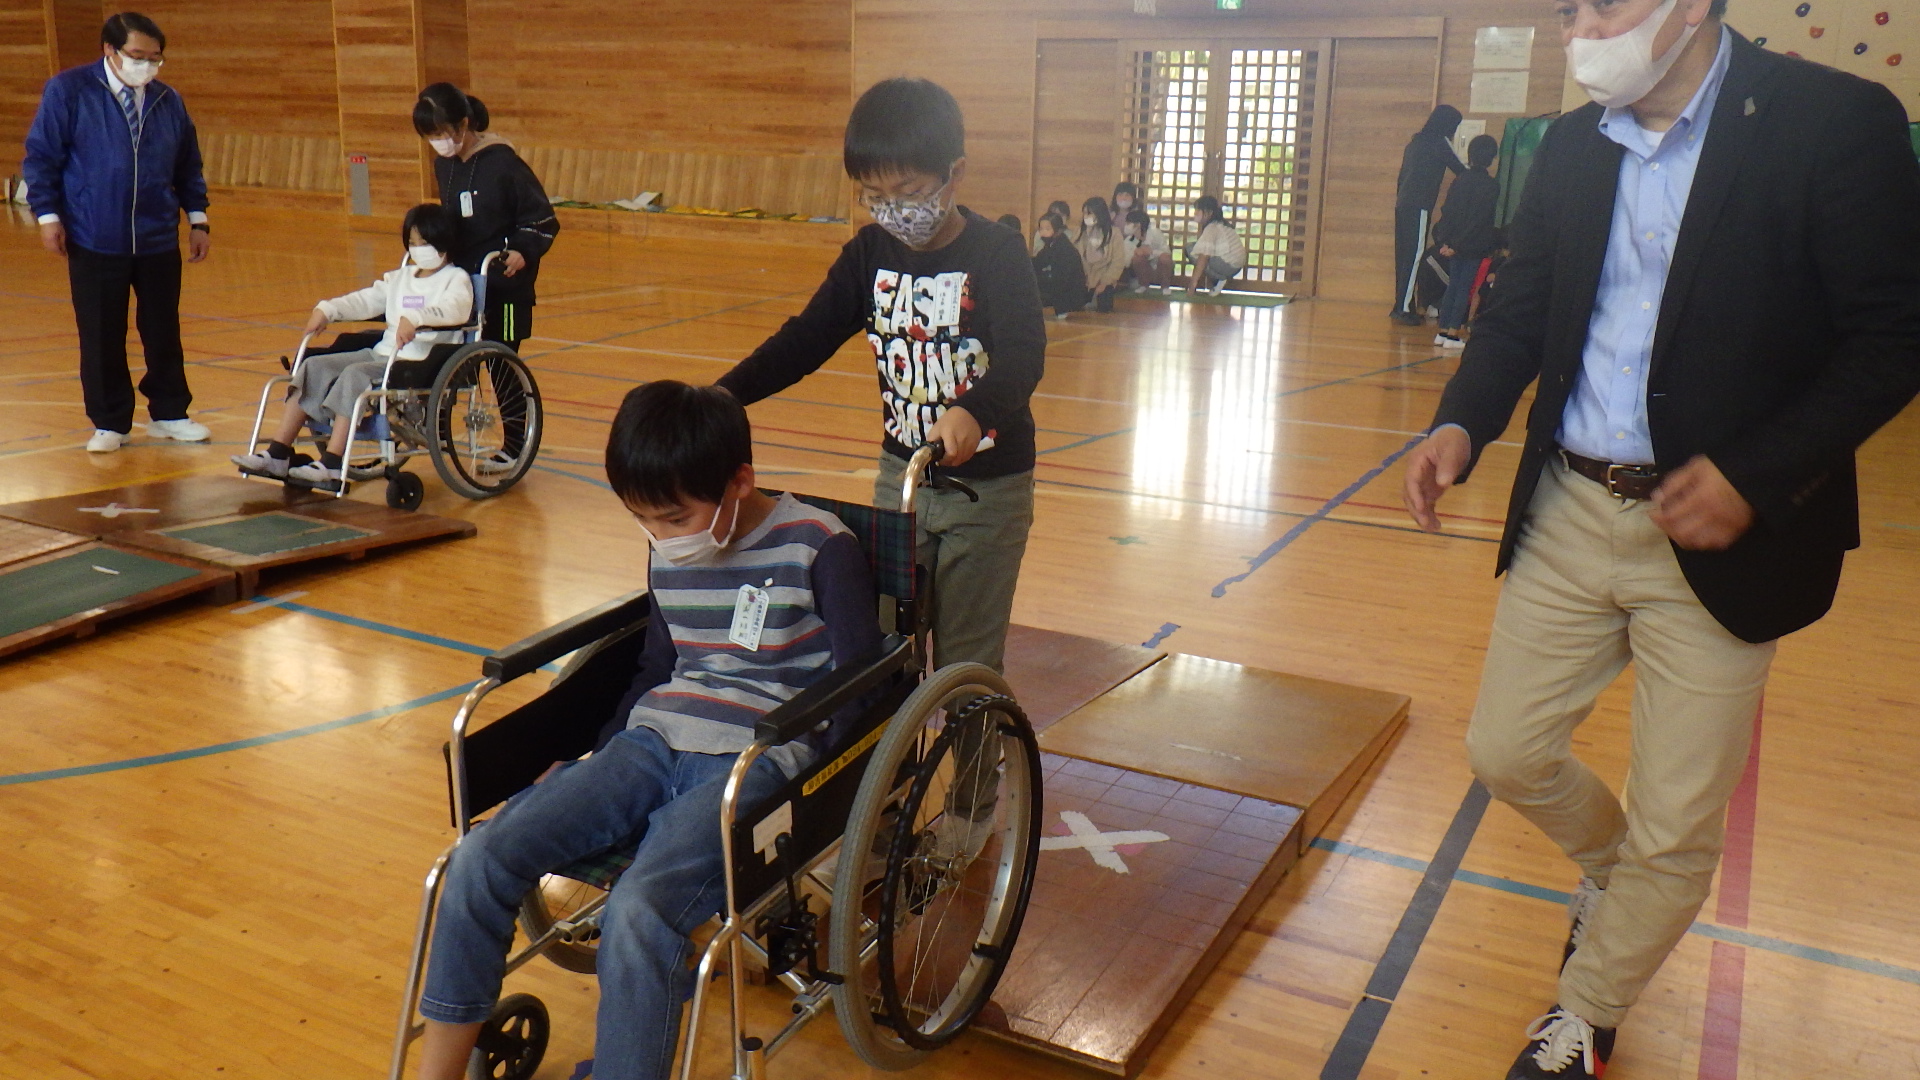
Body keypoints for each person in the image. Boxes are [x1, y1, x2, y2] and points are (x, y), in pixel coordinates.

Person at [1399, 0, 1920, 1073]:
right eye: (1565, 9)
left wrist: (1759, 477)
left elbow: (1894, 334)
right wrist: (1461, 419)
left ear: (1691, 6)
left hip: (1731, 536)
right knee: (1507, 751)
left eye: (1604, 4)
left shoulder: (1834, 123)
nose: (1578, 28)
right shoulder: (1569, 145)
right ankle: (1621, 884)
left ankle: (1582, 1014)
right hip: (1573, 504)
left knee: (1680, 823)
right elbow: (1518, 309)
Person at [409, 380, 881, 1080]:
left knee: (639, 909)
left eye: (672, 517)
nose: (661, 538)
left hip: (756, 762)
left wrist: (814, 785)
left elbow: (861, 683)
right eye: (645, 521)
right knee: (482, 855)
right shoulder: (672, 544)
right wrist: (588, 759)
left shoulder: (817, 547)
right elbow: (655, 667)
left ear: (739, 481)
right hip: (654, 742)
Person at [717, 77, 1045, 675]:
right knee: (885, 644)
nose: (895, 209)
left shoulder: (998, 253)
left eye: (910, 189)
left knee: (966, 656)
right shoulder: (868, 255)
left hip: (989, 490)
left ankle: (976, 766)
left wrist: (973, 411)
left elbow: (1026, 357)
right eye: (874, 194)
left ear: (954, 172)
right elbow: (805, 340)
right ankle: (893, 766)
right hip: (901, 482)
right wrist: (723, 395)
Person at [23, 12, 212, 454]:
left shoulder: (168, 100)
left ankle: (170, 413)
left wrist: (198, 218)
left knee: (163, 329)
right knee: (102, 331)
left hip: (157, 237)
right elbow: (41, 158)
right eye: (137, 56)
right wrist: (48, 217)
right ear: (110, 50)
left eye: (155, 58)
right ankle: (110, 421)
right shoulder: (68, 91)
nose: (147, 65)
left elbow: (188, 165)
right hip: (93, 235)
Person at [231, 204, 471, 490]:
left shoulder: (456, 279)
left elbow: (457, 309)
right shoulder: (401, 278)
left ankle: (332, 463)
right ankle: (278, 453)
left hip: (421, 362)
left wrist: (418, 319)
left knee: (355, 374)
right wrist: (327, 310)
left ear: (444, 242)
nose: (418, 249)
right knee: (313, 366)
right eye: (412, 243)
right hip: (382, 354)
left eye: (425, 243)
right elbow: (365, 300)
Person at [413, 83, 558, 356]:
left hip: (506, 286)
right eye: (430, 136)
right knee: (453, 360)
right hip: (463, 282)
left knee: (501, 360)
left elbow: (541, 218)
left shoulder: (503, 163)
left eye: (441, 133)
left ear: (463, 124)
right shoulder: (444, 165)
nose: (437, 142)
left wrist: (522, 250)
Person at [1390, 104, 1465, 326]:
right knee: (1414, 256)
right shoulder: (1439, 142)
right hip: (1419, 206)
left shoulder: (1415, 143)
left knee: (1403, 255)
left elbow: (1402, 176)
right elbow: (1460, 169)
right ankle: (1403, 308)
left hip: (1402, 204)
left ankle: (1402, 303)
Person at [1430, 133, 1500, 348]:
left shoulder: (1459, 180)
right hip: (1472, 244)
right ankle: (1452, 334)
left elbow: (1448, 212)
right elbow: (1479, 220)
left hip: (1452, 243)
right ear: (1491, 157)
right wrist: (1459, 245)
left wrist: (1447, 243)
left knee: (1454, 285)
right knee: (1464, 288)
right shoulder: (1490, 185)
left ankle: (1442, 331)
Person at [1185, 196, 1245, 296]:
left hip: (1227, 265)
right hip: (1236, 265)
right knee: (1195, 248)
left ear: (1209, 213)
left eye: (1198, 210)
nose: (1195, 213)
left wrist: (1192, 285)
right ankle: (1219, 281)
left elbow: (1203, 256)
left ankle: (1219, 279)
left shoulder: (1212, 227)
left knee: (1190, 249)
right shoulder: (1221, 224)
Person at [1032, 212, 1088, 318]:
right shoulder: (1050, 246)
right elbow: (1038, 262)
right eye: (1041, 229)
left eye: (1047, 229)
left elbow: (1062, 279)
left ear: (1058, 230)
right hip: (1058, 284)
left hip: (1070, 292)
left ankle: (1062, 310)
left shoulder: (1065, 249)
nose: (1043, 232)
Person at [1075, 197, 1125, 313]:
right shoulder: (1080, 232)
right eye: (1084, 213)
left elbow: (1118, 262)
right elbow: (1074, 257)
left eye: (1089, 213)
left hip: (1104, 277)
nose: (1086, 216)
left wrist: (1105, 282)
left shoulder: (1114, 234)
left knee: (1104, 307)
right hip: (1084, 278)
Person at [1124, 208, 1173, 290]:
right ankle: (1143, 285)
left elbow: (1166, 253)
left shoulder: (1156, 233)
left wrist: (1151, 252)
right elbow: (1125, 261)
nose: (1126, 226)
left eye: (1128, 223)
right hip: (1143, 270)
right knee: (1137, 259)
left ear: (1138, 224)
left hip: (1159, 267)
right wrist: (1135, 252)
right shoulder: (1128, 240)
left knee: (1165, 259)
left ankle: (1165, 286)